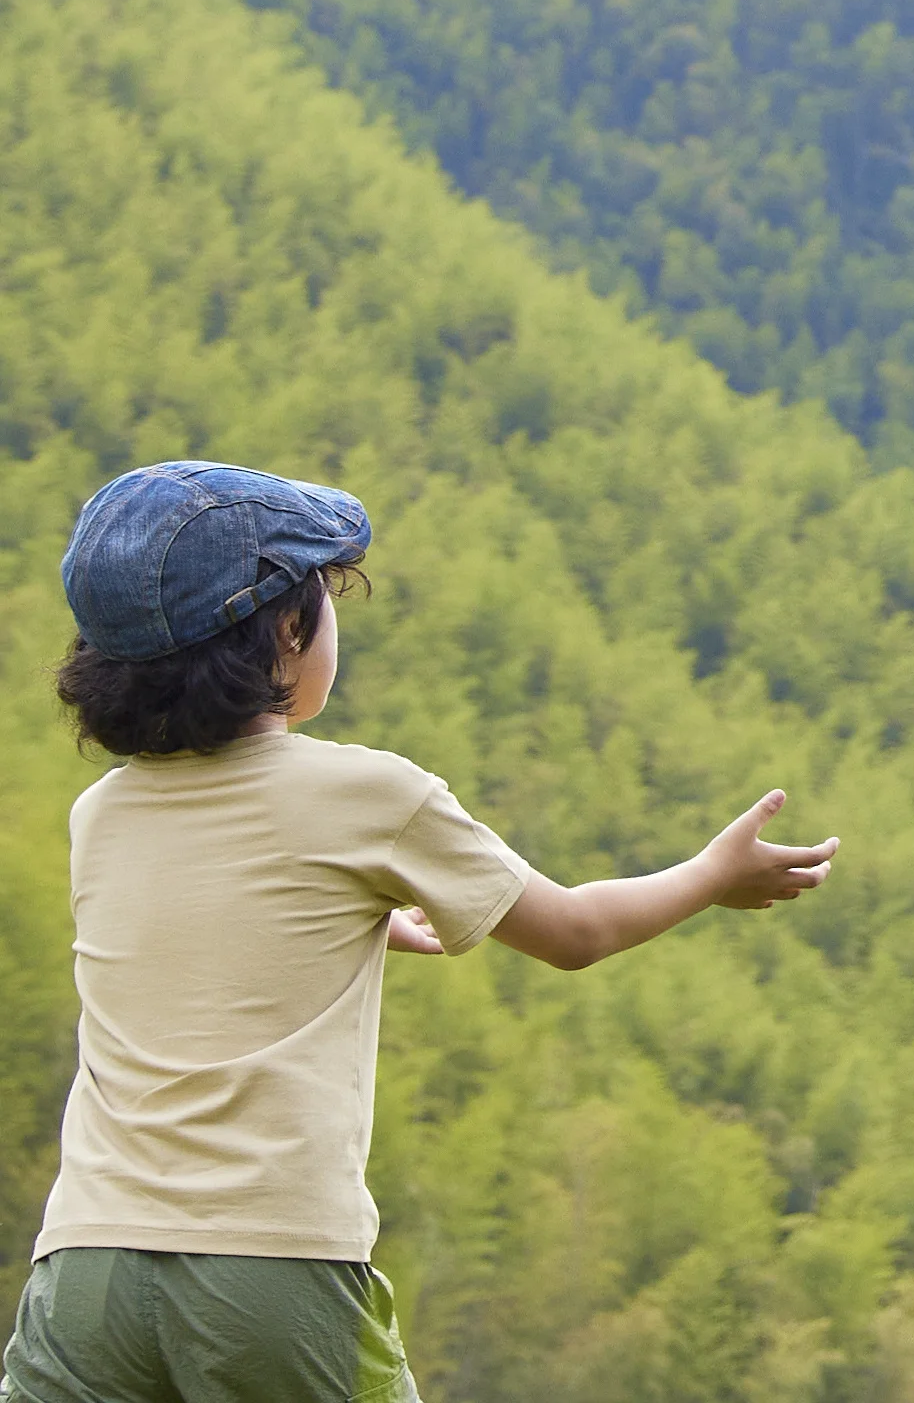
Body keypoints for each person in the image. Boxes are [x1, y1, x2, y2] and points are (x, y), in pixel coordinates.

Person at [0, 461, 838, 1403]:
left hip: (85, 1267)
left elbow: (192, 946)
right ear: (286, 630)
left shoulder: (100, 815)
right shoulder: (369, 795)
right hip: (269, 1266)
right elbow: (573, 932)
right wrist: (709, 877)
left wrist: (350, 929)